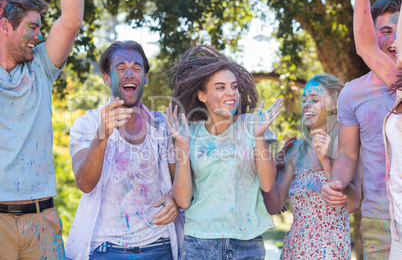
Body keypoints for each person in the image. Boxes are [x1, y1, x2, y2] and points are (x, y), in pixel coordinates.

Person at [66, 40, 181, 260]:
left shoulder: (164, 126)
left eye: (137, 68)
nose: (130, 73)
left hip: (160, 246)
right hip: (107, 249)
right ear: (107, 78)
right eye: (120, 68)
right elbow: (85, 183)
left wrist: (175, 199)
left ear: (145, 77)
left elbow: (181, 182)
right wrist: (103, 135)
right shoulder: (87, 125)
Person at [166, 45, 281, 259]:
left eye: (234, 86)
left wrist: (258, 137)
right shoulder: (189, 133)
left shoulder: (253, 125)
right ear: (202, 95)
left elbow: (267, 184)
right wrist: (182, 145)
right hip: (200, 243)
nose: (231, 93)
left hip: (247, 243)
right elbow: (182, 200)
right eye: (220, 87)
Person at [0, 0, 83, 258]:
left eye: (40, 27)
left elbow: (71, 21)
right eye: (32, 27)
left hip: (41, 222)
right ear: (5, 27)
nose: (38, 35)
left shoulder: (41, 66)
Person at [322, 0, 402, 258]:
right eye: (387, 31)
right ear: (372, 31)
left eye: (400, 32)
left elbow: (365, 47)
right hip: (377, 219)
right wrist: (336, 182)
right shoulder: (353, 93)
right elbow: (348, 154)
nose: (394, 41)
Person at [262, 74, 360, 259]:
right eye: (304, 100)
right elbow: (273, 207)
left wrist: (325, 161)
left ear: (334, 104)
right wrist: (268, 166)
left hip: (331, 251)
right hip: (295, 249)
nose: (306, 104)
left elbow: (352, 204)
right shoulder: (294, 150)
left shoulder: (347, 147)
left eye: (315, 100)